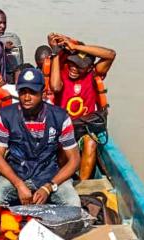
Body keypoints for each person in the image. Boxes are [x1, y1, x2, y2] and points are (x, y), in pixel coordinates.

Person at [0, 68, 81, 209]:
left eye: (32, 92)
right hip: (17, 173)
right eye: (23, 92)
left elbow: (74, 160)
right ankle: (8, 228)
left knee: (73, 203)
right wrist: (19, 184)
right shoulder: (6, 115)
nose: (27, 97)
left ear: (43, 93)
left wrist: (48, 187)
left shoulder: (60, 117)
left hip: (49, 174)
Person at [48, 33, 116, 180]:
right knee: (61, 147)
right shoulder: (63, 73)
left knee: (91, 142)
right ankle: (62, 179)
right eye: (72, 63)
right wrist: (54, 52)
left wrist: (77, 47)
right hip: (65, 128)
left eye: (80, 66)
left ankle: (83, 184)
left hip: (84, 127)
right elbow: (54, 86)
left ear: (89, 67)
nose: (74, 68)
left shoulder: (92, 74)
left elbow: (111, 54)